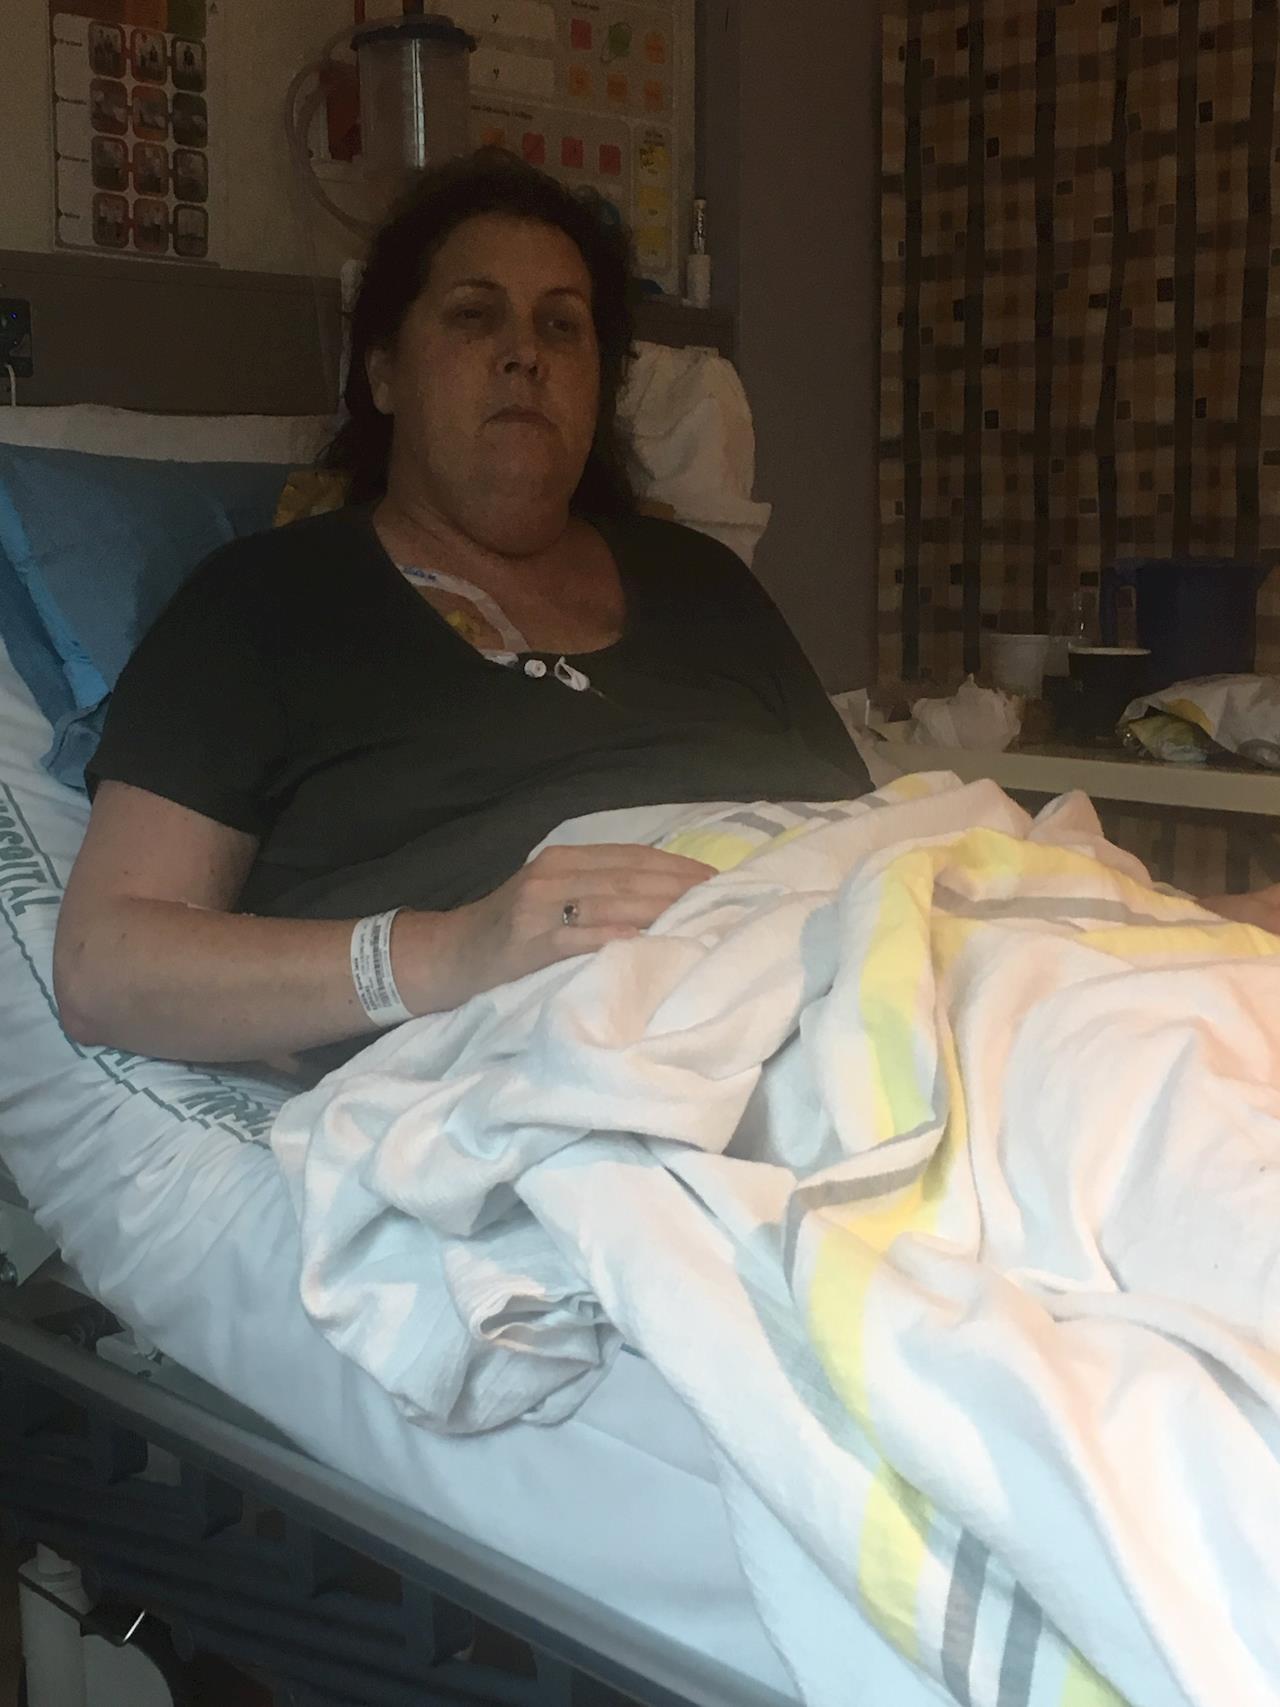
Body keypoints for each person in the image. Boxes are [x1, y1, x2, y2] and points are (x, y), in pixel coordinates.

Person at [53, 150, 873, 1074]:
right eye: (474, 314)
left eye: (562, 325)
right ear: (385, 372)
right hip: (586, 1054)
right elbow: (103, 966)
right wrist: (452, 950)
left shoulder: (706, 586)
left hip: (851, 988)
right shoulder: (259, 607)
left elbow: (874, 842)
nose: (525, 352)